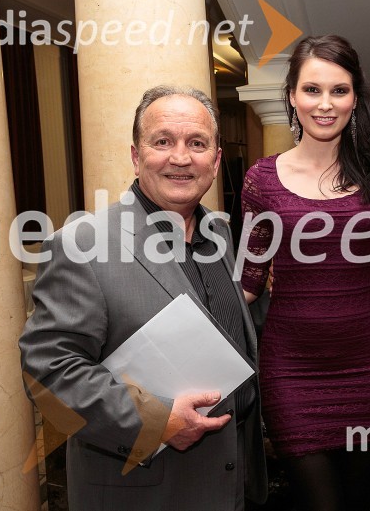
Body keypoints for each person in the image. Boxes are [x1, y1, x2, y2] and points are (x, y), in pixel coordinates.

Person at [19, 86, 267, 511]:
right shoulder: (82, 243)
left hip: (231, 480)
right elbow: (48, 374)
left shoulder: (220, 235)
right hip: (145, 491)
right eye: (163, 141)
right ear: (136, 156)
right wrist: (154, 422)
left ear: (216, 159)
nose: (181, 158)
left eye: (197, 143)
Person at [239, 34, 370, 511]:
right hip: (291, 370)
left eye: (340, 90)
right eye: (312, 90)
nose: (326, 104)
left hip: (368, 367)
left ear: (356, 97)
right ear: (292, 95)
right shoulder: (261, 179)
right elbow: (249, 280)